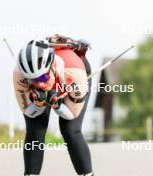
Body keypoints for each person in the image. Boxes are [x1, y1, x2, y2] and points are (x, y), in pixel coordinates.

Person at [13, 34, 94, 176]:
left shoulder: (75, 73)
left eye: (43, 77)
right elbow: (28, 111)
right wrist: (39, 105)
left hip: (69, 78)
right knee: (36, 129)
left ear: (52, 67)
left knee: (70, 130)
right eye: (33, 80)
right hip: (55, 74)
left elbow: (72, 114)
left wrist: (57, 105)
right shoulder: (19, 75)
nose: (40, 84)